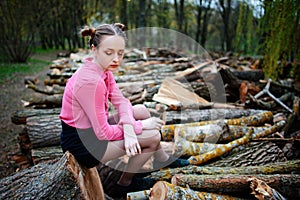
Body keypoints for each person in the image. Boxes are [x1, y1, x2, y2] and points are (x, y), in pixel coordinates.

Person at [59, 23, 189, 197]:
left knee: (141, 110)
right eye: (109, 52)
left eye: (120, 53)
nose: (116, 59)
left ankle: (161, 158)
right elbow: (102, 133)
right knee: (153, 137)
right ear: (94, 49)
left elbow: (121, 101)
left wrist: (128, 127)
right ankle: (125, 184)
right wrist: (140, 127)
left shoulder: (104, 70)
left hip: (93, 130)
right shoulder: (91, 82)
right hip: (83, 144)